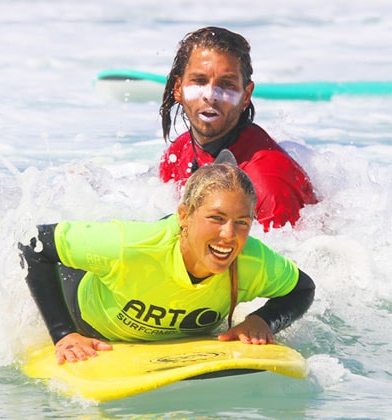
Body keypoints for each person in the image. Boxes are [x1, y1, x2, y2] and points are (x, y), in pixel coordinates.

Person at [20, 160, 315, 364]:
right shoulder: (129, 246)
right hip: (88, 310)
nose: (229, 235)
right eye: (216, 218)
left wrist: (262, 320)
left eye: (242, 222)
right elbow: (32, 243)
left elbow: (302, 289)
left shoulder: (252, 259)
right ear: (184, 215)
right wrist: (63, 332)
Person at [158, 26, 318, 232]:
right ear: (178, 89)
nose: (211, 95)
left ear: (246, 95)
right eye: (199, 81)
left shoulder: (267, 183)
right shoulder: (180, 151)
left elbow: (290, 261)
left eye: (226, 84)